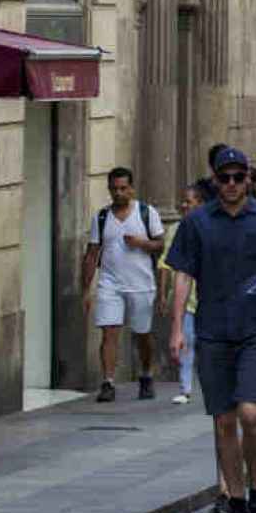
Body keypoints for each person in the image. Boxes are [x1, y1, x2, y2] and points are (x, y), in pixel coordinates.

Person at [165, 146, 256, 513]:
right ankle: (237, 502)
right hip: (212, 332)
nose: (230, 184)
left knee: (251, 414)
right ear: (215, 181)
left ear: (248, 179)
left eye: (237, 177)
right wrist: (176, 329)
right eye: (223, 178)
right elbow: (182, 276)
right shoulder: (197, 223)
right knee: (224, 421)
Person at [80, 166, 167, 403]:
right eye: (114, 189)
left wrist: (141, 243)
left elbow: (160, 246)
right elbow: (92, 254)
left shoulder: (147, 213)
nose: (118, 193)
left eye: (123, 188)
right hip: (111, 283)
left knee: (142, 334)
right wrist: (86, 290)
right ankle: (108, 382)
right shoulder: (101, 217)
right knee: (109, 332)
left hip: (141, 283)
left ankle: (146, 374)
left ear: (131, 188)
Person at [158, 186, 204, 404]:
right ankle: (185, 388)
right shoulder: (175, 229)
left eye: (189, 201)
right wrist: (162, 294)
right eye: (183, 202)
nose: (184, 205)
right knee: (186, 341)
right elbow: (165, 264)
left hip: (207, 298)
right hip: (185, 297)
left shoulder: (210, 228)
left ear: (201, 204)